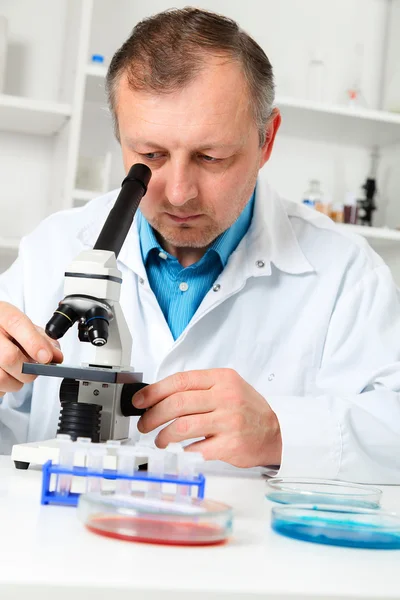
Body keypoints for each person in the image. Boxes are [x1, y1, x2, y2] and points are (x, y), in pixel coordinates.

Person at [0, 7, 399, 482]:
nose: (178, 192)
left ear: (266, 140)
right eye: (150, 156)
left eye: (212, 157)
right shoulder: (55, 246)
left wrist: (280, 431)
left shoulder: (347, 273)